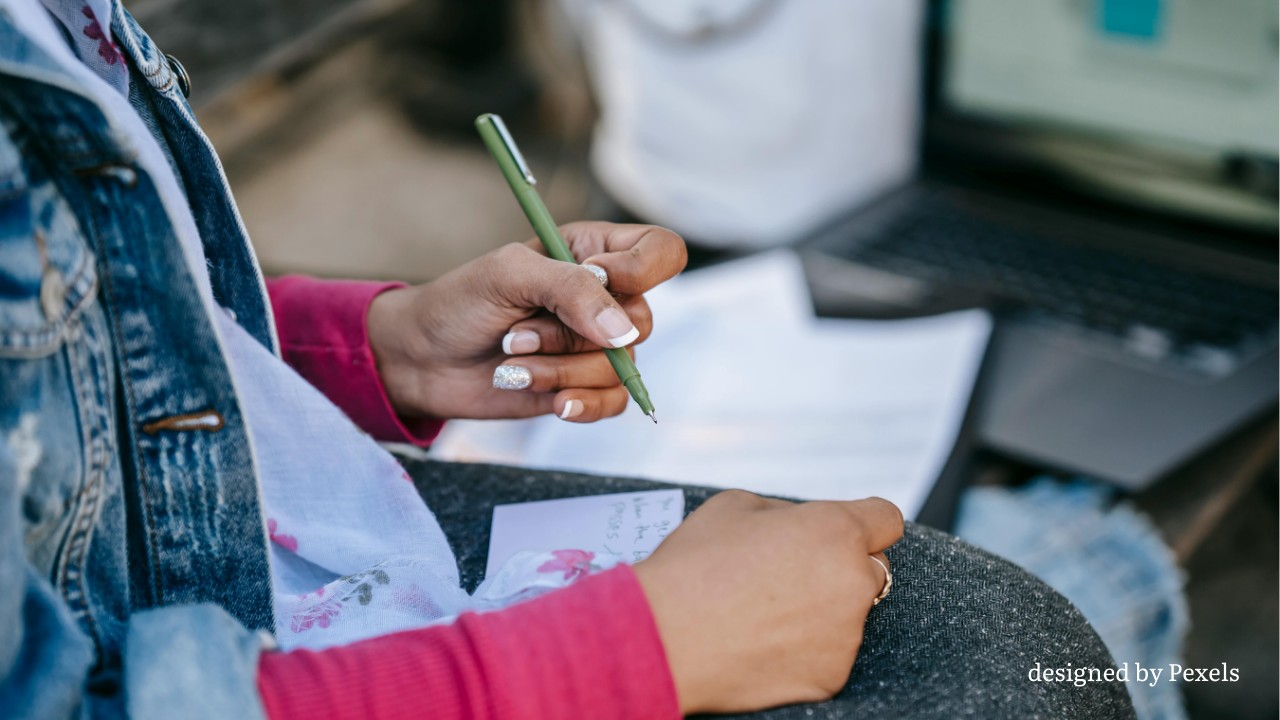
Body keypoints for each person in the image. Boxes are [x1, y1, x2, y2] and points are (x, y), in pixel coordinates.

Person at [0, 1, 1134, 718]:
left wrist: (371, 351)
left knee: (998, 616)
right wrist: (633, 652)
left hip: (223, 584)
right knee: (1043, 614)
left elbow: (67, 363)